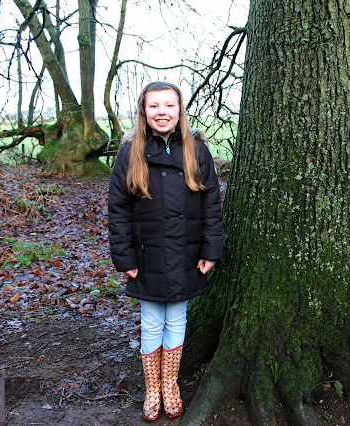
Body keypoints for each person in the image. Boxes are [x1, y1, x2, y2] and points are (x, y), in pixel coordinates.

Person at [108, 81, 224, 421]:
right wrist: (125, 257)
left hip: (187, 254)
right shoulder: (131, 151)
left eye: (169, 105)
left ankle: (170, 383)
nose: (162, 112)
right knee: (151, 321)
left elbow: (211, 204)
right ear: (144, 110)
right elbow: (118, 209)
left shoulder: (196, 149)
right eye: (154, 105)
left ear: (179, 110)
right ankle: (152, 388)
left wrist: (210, 249)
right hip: (146, 257)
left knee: (177, 319)